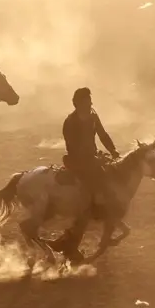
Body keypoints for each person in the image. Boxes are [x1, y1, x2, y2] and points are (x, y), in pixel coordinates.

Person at [55, 87, 121, 257]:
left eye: (90, 100)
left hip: (92, 159)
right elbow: (73, 148)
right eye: (87, 100)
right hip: (78, 162)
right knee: (92, 192)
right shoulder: (70, 122)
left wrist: (112, 151)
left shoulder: (92, 115)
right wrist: (92, 160)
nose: (91, 102)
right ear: (78, 103)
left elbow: (102, 134)